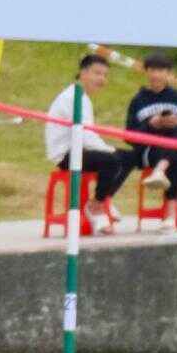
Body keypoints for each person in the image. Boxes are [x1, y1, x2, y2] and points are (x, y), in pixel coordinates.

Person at [45, 54, 134, 234]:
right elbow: (85, 135)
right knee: (112, 160)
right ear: (83, 73)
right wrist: (109, 151)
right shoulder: (73, 97)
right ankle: (96, 208)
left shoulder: (82, 96)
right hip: (66, 154)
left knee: (130, 157)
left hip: (80, 148)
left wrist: (110, 150)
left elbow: (87, 135)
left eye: (105, 75)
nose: (102, 79)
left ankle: (103, 199)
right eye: (97, 73)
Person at [125, 52, 177, 237]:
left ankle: (161, 170)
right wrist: (150, 124)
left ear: (168, 73)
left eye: (161, 70)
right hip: (149, 151)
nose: (156, 74)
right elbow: (129, 136)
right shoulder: (138, 100)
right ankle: (170, 215)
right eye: (152, 70)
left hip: (172, 147)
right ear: (146, 72)